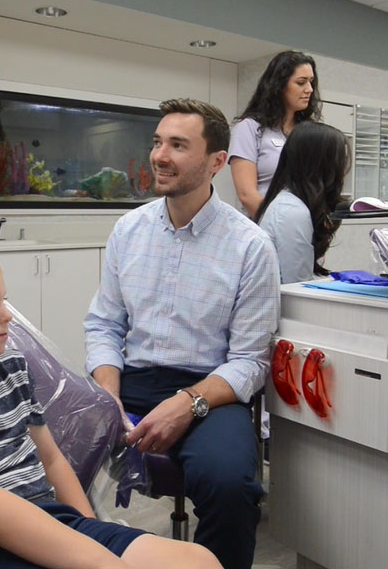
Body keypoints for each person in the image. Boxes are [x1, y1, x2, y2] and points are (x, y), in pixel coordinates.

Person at [0, 243, 221, 569]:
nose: (7, 315)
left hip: (46, 519)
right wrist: (97, 560)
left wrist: (88, 530)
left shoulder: (10, 371)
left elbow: (50, 459)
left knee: (198, 561)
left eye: (3, 300)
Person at [84, 99, 280, 569]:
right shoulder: (128, 230)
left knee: (231, 487)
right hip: (131, 381)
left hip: (211, 390)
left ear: (215, 162)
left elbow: (251, 361)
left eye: (177, 145)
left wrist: (188, 402)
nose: (159, 155)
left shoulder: (250, 246)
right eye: (157, 142)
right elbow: (105, 324)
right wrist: (107, 394)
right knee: (49, 455)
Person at [228, 50, 321, 217]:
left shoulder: (309, 132)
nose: (310, 89)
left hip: (305, 231)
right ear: (279, 86)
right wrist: (280, 228)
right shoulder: (249, 128)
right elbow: (247, 195)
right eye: (301, 83)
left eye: (311, 82)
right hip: (264, 230)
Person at [255, 121, 349, 284]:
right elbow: (298, 287)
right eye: (340, 161)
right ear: (321, 165)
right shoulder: (291, 211)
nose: (343, 172)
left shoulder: (293, 205)